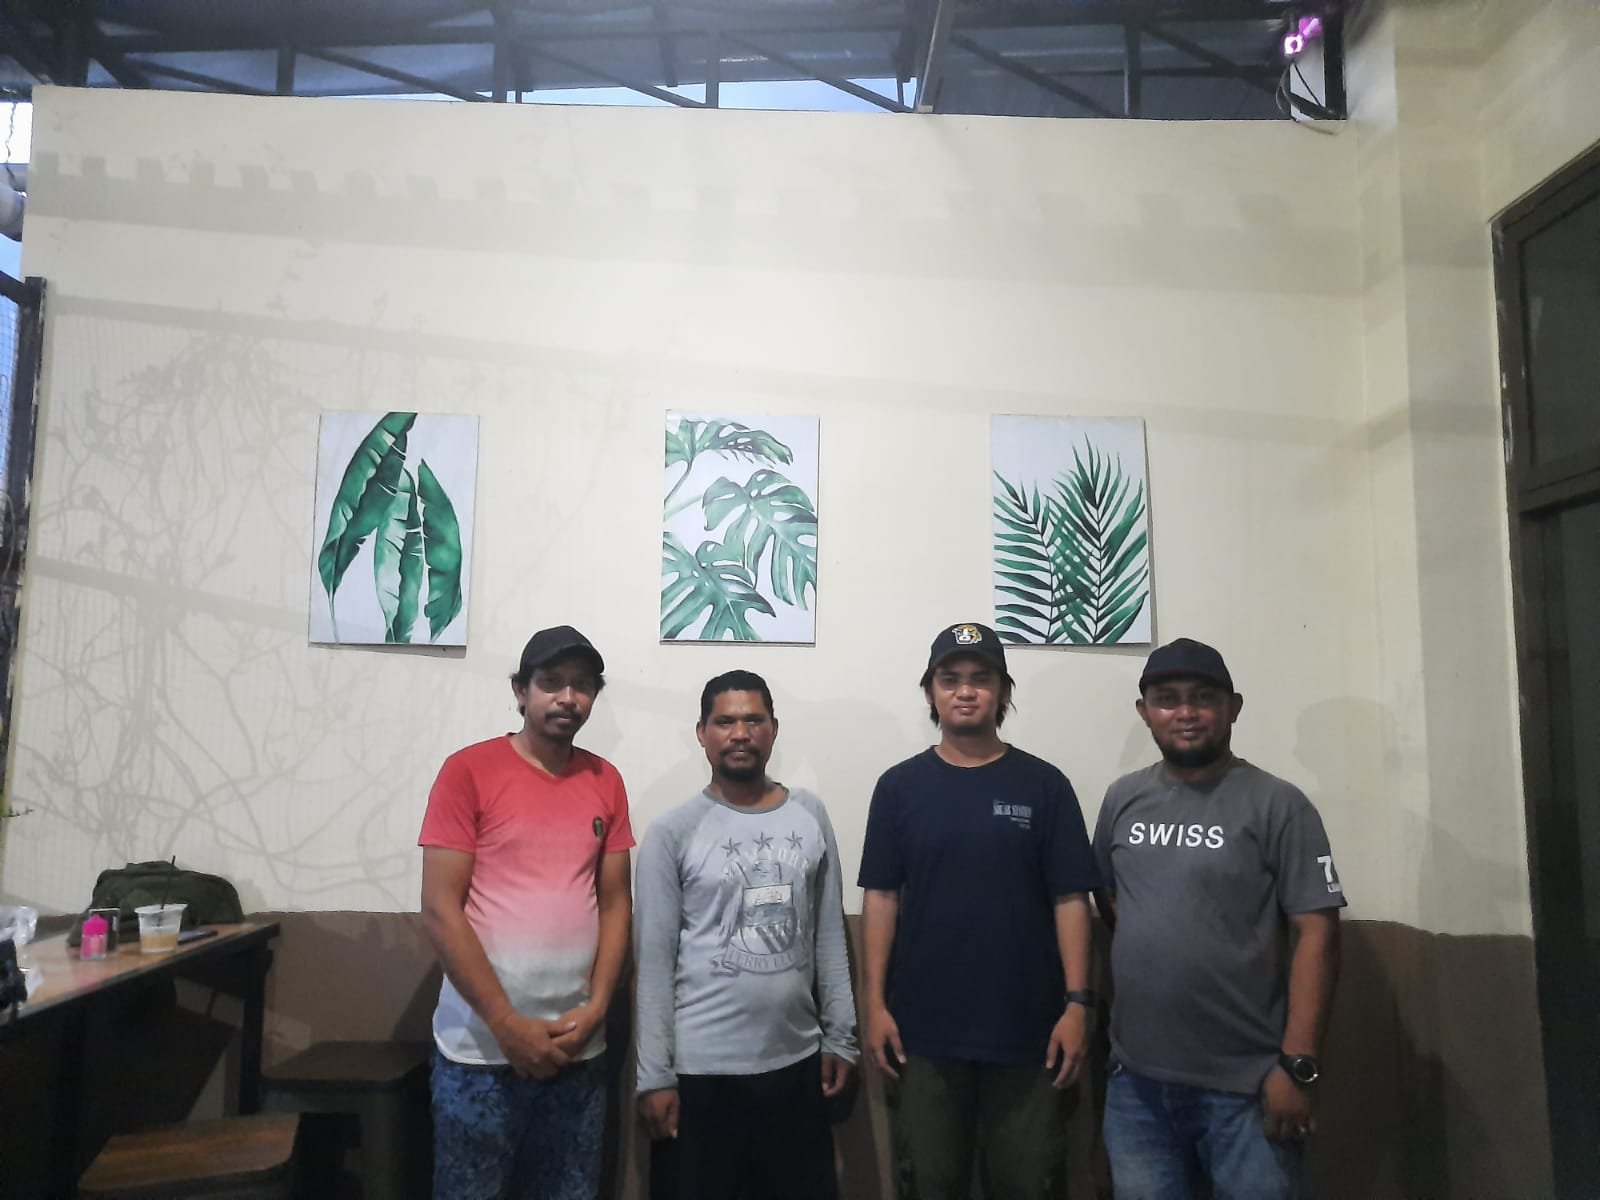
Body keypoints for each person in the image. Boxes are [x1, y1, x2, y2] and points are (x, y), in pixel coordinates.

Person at [1093, 638, 1344, 1200]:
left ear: (1233, 708)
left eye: (1203, 697)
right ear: (1145, 712)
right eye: (1167, 699)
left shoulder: (1280, 805)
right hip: (1136, 1087)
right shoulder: (1122, 799)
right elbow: (1108, 898)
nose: (1185, 712)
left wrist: (1298, 1066)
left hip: (1249, 1087)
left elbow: (1318, 934)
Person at [858, 622, 1100, 1200]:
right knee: (930, 1184)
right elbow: (881, 897)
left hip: (1030, 1034)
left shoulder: (1045, 786)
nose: (965, 691)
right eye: (950, 679)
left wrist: (1077, 1004)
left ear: (1003, 692)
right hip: (922, 1035)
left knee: (1028, 1185)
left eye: (981, 679)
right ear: (930, 692)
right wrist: (874, 1004)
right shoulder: (898, 788)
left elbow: (1071, 899)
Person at [418, 625, 634, 1200]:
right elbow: (439, 909)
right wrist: (508, 1026)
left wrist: (598, 1008)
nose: (568, 697)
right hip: (479, 1053)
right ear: (520, 691)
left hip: (577, 1049)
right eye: (551, 682)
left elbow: (616, 903)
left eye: (582, 685)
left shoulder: (606, 781)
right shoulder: (468, 771)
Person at [634, 669, 858, 1200]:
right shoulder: (672, 832)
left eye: (753, 720)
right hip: (700, 1075)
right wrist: (654, 1076)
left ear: (774, 728)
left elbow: (828, 936)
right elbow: (654, 964)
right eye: (725, 722)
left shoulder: (810, 814)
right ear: (702, 733)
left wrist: (841, 1037)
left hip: (796, 1064)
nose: (740, 733)